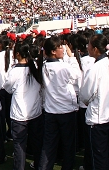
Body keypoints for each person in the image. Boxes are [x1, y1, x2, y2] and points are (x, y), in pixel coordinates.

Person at [79, 32, 109, 170]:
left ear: (95, 49)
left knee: (99, 157)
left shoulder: (96, 68)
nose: (87, 47)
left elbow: (86, 95)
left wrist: (87, 100)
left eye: (89, 45)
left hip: (99, 119)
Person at [39, 36, 81, 170]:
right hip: (66, 110)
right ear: (53, 51)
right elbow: (77, 74)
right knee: (68, 144)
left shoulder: (44, 66)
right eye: (59, 47)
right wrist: (72, 57)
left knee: (49, 145)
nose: (62, 49)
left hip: (51, 111)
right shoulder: (63, 66)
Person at [4, 40, 44, 170]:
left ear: (17, 54)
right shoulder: (35, 67)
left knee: (19, 145)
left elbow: (8, 88)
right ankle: (38, 165)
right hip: (35, 111)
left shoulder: (14, 71)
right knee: (36, 142)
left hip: (19, 113)